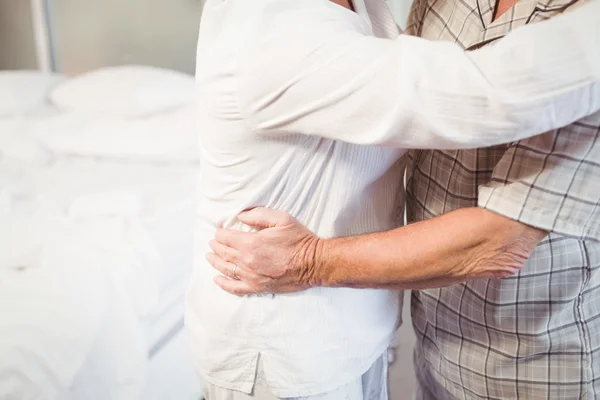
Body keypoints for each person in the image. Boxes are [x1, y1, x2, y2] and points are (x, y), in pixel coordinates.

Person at [194, 0, 600, 399]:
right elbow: (477, 91)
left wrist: (312, 261)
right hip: (286, 349)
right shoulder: (272, 30)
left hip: (524, 358)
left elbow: (500, 242)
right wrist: (308, 261)